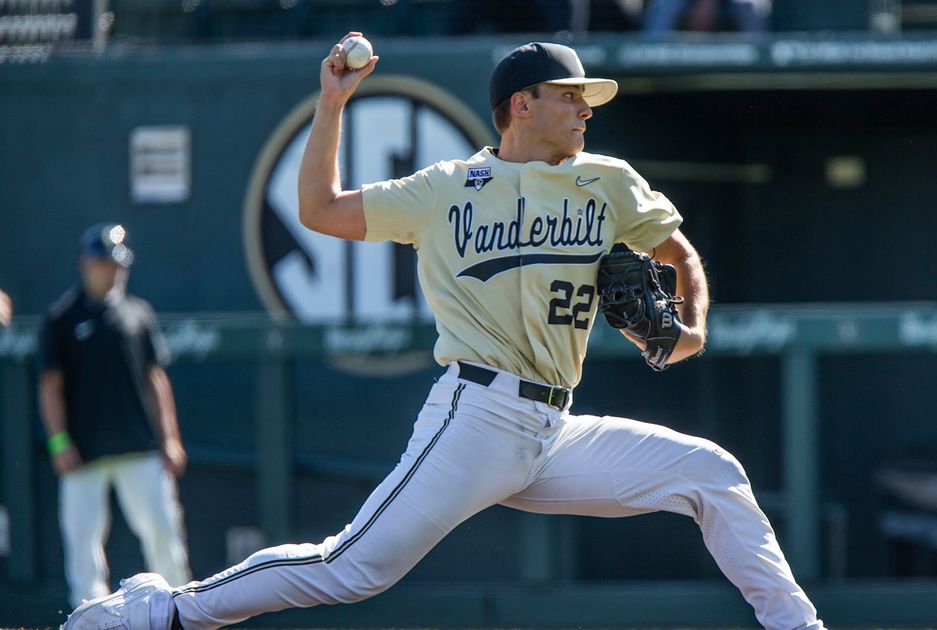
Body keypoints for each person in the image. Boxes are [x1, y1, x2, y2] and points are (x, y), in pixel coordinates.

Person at [63, 38, 824, 630]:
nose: (586, 108)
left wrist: (689, 324)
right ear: (521, 105)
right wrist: (332, 106)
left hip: (552, 431)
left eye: (588, 99)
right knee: (350, 569)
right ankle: (160, 611)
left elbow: (676, 248)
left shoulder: (609, 180)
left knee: (711, 473)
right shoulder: (444, 191)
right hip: (478, 415)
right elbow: (322, 210)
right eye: (570, 96)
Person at [41, 223, 191, 608]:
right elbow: (50, 387)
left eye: (116, 263)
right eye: (103, 262)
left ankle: (177, 611)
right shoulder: (61, 319)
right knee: (82, 548)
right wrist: (59, 442)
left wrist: (170, 438)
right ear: (85, 263)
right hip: (84, 454)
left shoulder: (138, 314)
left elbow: (156, 379)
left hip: (140, 449)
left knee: (163, 537)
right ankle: (89, 616)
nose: (111, 270)